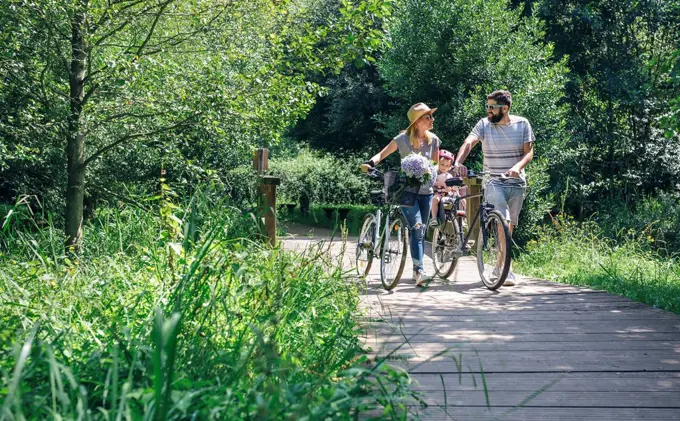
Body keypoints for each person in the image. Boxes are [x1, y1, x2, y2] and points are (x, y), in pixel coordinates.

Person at [453, 90, 534, 286]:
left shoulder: (522, 124)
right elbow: (469, 142)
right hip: (493, 181)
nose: (488, 111)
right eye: (487, 107)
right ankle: (507, 269)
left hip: (516, 182)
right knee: (502, 221)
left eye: (492, 107)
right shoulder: (483, 125)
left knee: (509, 227)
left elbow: (529, 153)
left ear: (504, 108)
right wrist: (458, 162)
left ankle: (502, 267)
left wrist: (517, 167)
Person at [361, 103, 440, 287]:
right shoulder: (402, 139)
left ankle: (415, 270)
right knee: (417, 227)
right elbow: (382, 153)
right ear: (418, 121)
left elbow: (435, 164)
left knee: (419, 233)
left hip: (426, 192)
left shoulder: (434, 140)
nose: (432, 119)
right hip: (406, 191)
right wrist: (370, 163)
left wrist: (428, 170)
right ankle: (420, 271)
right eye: (428, 117)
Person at [430, 149, 455, 228]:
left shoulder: (449, 176)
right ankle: (434, 218)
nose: (444, 167)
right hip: (437, 193)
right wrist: (440, 184)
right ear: (438, 163)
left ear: (450, 167)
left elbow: (451, 187)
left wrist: (450, 188)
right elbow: (431, 182)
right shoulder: (434, 173)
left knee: (461, 199)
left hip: (446, 194)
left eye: (447, 166)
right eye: (442, 164)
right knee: (435, 199)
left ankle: (462, 216)